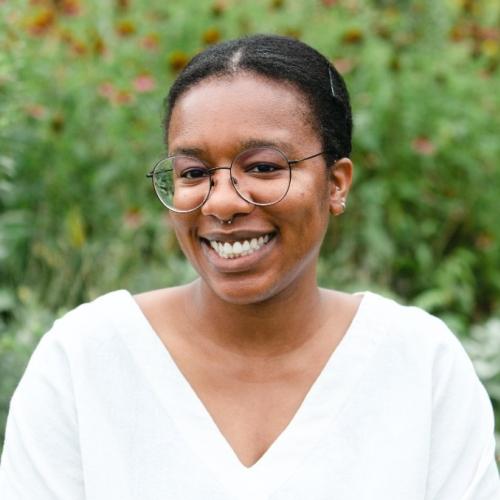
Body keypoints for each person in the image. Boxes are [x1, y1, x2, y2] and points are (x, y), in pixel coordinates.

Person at [0, 34, 498, 500]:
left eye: (263, 167)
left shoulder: (418, 364)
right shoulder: (86, 360)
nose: (221, 203)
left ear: (336, 183)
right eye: (194, 172)